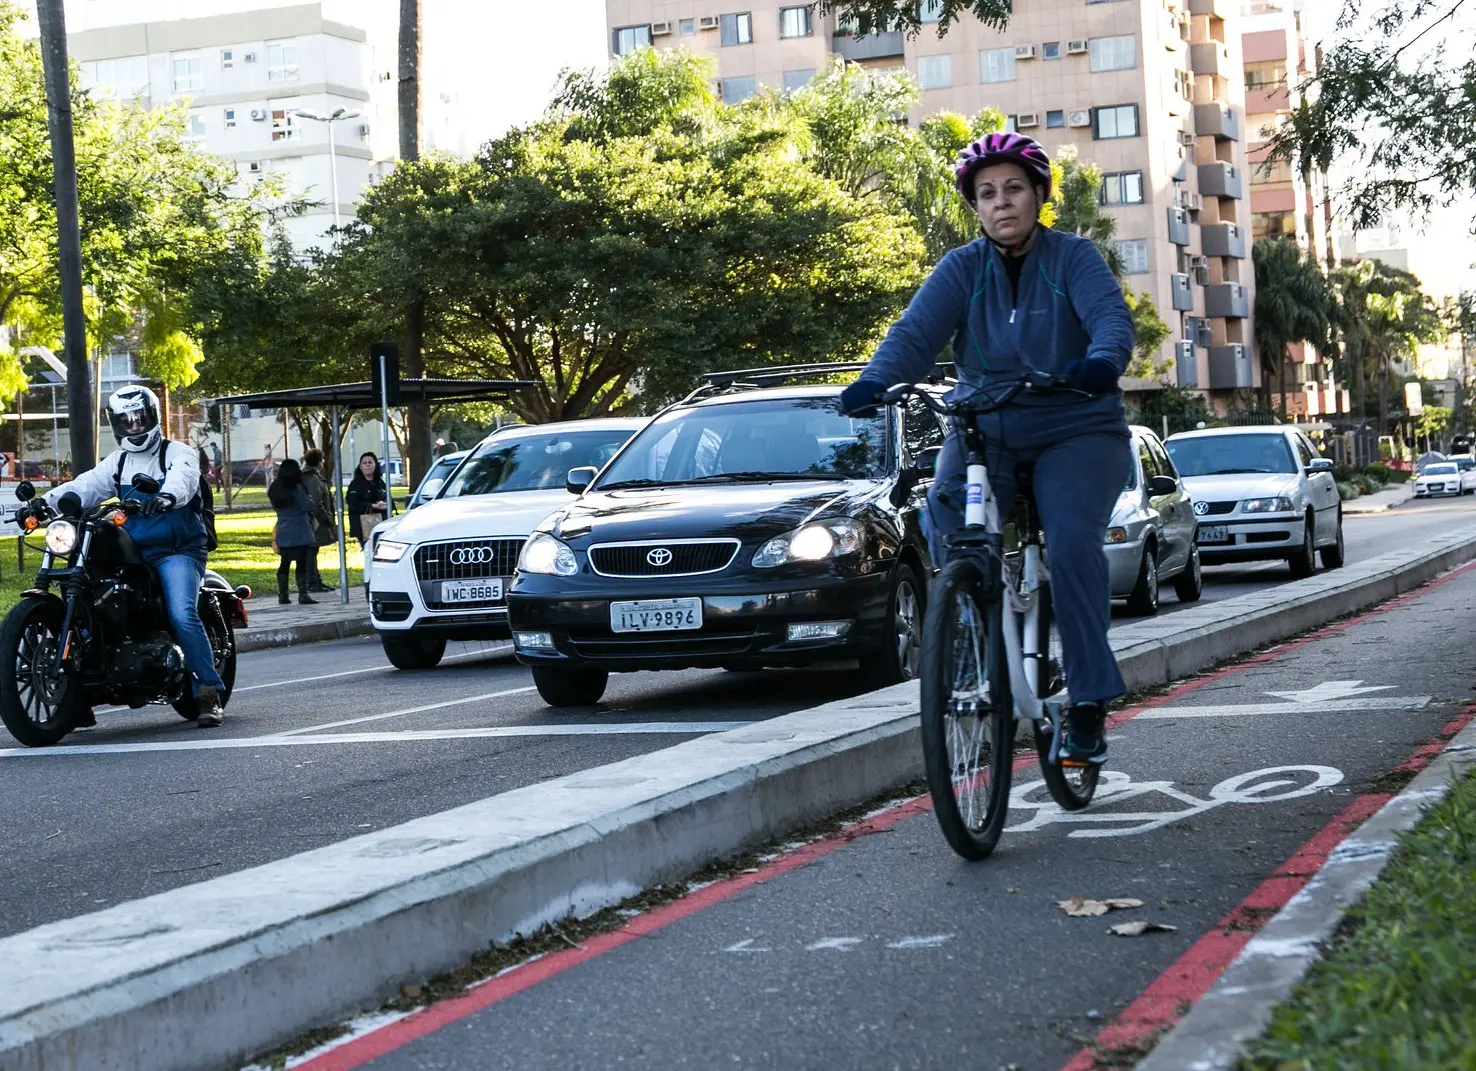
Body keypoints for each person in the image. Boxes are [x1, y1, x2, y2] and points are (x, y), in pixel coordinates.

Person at [839, 132, 1134, 766]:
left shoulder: (1074, 258)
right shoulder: (961, 268)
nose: (1002, 203)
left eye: (1014, 189)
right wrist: (873, 381)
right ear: (975, 206)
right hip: (985, 427)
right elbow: (914, 335)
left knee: (1074, 542)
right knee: (946, 513)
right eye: (987, 194)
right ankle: (980, 615)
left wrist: (1103, 361)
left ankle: (1086, 703)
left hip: (1076, 427)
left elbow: (1110, 318)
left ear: (1038, 195)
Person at [31, 386, 227, 727]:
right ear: (116, 424)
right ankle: (79, 696)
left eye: (140, 419)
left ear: (153, 417)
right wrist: (43, 502)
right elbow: (86, 485)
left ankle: (208, 691)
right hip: (133, 550)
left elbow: (184, 480)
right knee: (87, 604)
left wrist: (166, 497)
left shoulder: (177, 453)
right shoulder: (118, 462)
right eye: (126, 421)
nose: (135, 427)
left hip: (175, 550)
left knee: (182, 613)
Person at [268, 459, 318, 605]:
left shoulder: (275, 488)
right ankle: (303, 594)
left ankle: (283, 594)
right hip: (299, 529)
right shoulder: (297, 488)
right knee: (301, 562)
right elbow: (307, 506)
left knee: (284, 562)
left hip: (283, 528)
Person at [299, 449, 337, 593]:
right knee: (311, 551)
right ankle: (313, 581)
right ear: (319, 462)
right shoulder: (314, 479)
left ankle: (315, 580)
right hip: (315, 521)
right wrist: (327, 518)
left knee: (312, 551)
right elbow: (316, 502)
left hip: (309, 520)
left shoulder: (307, 476)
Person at [346, 452, 389, 548]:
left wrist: (385, 504)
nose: (367, 465)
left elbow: (389, 498)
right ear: (360, 467)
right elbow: (352, 503)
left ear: (375, 465)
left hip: (381, 522)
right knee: (368, 551)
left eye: (370, 462)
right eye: (364, 463)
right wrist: (371, 505)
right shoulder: (355, 484)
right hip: (362, 525)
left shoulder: (380, 482)